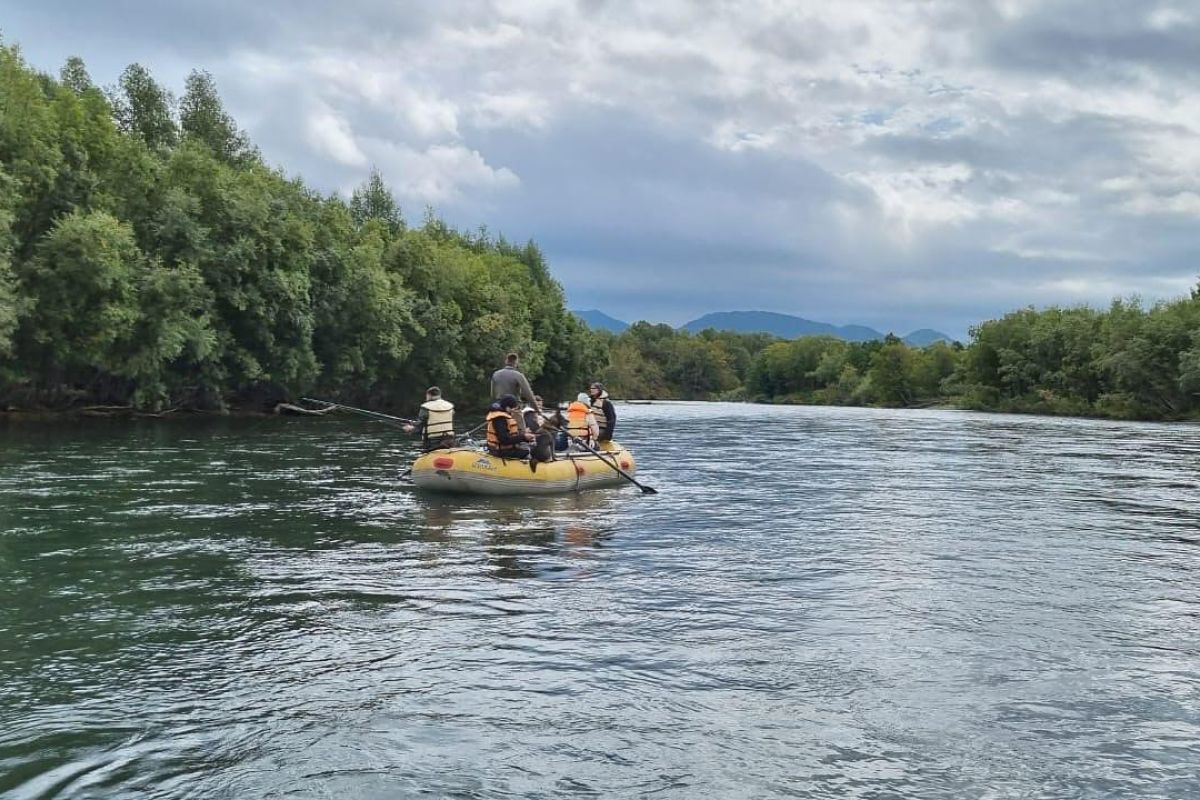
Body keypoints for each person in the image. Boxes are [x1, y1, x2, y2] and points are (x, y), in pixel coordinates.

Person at [490, 352, 537, 432]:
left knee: (496, 430)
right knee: (521, 431)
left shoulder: (495, 374)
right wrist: (536, 408)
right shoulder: (518, 375)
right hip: (514, 408)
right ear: (516, 363)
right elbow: (528, 394)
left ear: (506, 361)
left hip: (498, 407)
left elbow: (492, 394)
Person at [403, 386, 456, 451]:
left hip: (432, 441)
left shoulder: (425, 407)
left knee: (415, 445)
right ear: (439, 395)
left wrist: (411, 429)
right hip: (449, 439)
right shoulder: (450, 406)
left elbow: (420, 426)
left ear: (429, 395)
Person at [485, 394, 537, 461]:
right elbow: (504, 440)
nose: (514, 410)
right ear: (507, 407)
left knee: (529, 448)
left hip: (505, 448)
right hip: (499, 451)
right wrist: (523, 437)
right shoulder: (499, 419)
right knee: (526, 452)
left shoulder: (504, 416)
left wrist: (526, 438)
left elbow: (511, 436)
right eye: (513, 408)